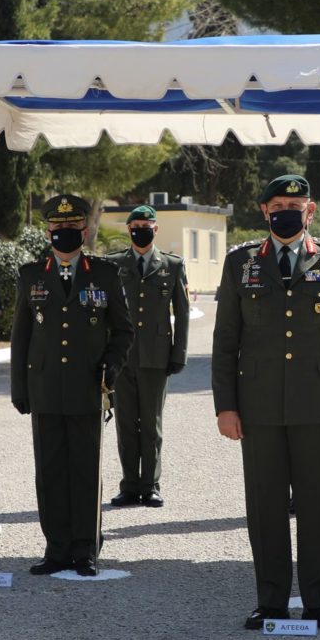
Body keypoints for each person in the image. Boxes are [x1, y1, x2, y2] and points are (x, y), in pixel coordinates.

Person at [211, 174, 320, 630]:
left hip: (318, 406)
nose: (285, 213)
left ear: (310, 211)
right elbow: (225, 341)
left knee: (318, 508)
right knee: (266, 508)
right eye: (277, 206)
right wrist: (226, 406)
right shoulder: (241, 263)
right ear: (264, 211)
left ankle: (318, 602)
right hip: (257, 407)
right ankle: (271, 602)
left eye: (294, 206)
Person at [10, 194, 133, 578]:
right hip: (45, 388)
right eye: (58, 227)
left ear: (85, 230)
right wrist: (19, 388)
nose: (65, 232)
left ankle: (85, 549)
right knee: (49, 471)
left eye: (72, 227)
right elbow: (21, 336)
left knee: (85, 469)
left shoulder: (105, 274)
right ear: (48, 231)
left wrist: (111, 366)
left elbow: (124, 330)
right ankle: (56, 548)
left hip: (86, 387)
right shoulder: (31, 275)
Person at [106, 205, 190, 508]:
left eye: (146, 226)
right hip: (123, 358)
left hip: (156, 356)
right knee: (126, 423)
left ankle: (151, 484)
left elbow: (182, 314)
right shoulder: (113, 264)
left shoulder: (172, 265)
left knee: (152, 424)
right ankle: (130, 485)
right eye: (136, 226)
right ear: (129, 230)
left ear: (156, 229)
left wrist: (178, 353)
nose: (140, 231)